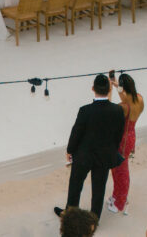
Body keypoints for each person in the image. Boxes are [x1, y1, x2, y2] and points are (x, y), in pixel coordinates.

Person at [54, 74, 125, 221]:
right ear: (109, 89)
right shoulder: (117, 111)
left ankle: (70, 216)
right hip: (104, 156)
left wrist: (69, 150)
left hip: (83, 156)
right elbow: (119, 135)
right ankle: (93, 221)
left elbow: (76, 133)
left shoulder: (85, 111)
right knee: (98, 190)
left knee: (75, 185)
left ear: (93, 89)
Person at [108, 72, 144, 216]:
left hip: (121, 142)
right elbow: (126, 95)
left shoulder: (123, 107)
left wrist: (110, 91)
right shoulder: (139, 99)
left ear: (124, 89)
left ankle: (120, 202)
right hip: (131, 136)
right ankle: (117, 197)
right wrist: (116, 84)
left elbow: (108, 109)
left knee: (120, 172)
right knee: (119, 170)